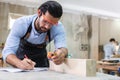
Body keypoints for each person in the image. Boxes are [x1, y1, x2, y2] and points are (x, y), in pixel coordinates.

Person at [2, 1, 68, 70]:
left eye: (52, 24)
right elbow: (7, 52)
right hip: (21, 59)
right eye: (45, 21)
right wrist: (19, 63)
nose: (47, 27)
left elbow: (62, 48)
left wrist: (61, 53)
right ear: (39, 13)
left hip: (41, 60)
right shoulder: (21, 24)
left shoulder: (58, 27)